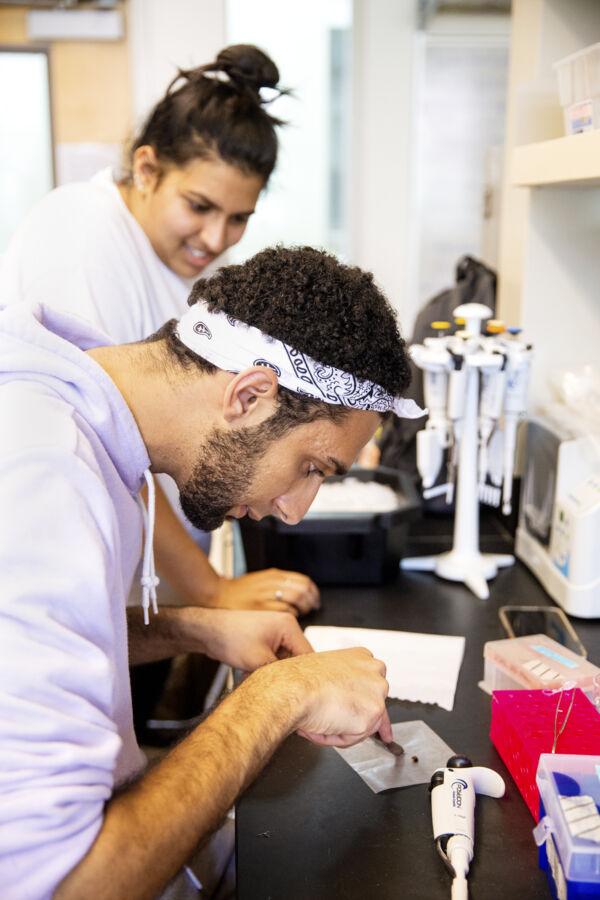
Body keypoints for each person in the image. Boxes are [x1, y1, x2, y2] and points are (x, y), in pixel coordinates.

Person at [0, 246, 423, 899]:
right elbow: (61, 885)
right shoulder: (43, 476)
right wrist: (280, 696)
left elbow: (45, 642)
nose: (292, 512)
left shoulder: (74, 408)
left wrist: (194, 630)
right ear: (250, 395)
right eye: (313, 467)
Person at [0, 43, 318, 617]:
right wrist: (211, 590)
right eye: (199, 206)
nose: (216, 238)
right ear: (146, 169)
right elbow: (107, 426)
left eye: (239, 217)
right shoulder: (82, 232)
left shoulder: (188, 261)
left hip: (145, 583)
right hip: (73, 587)